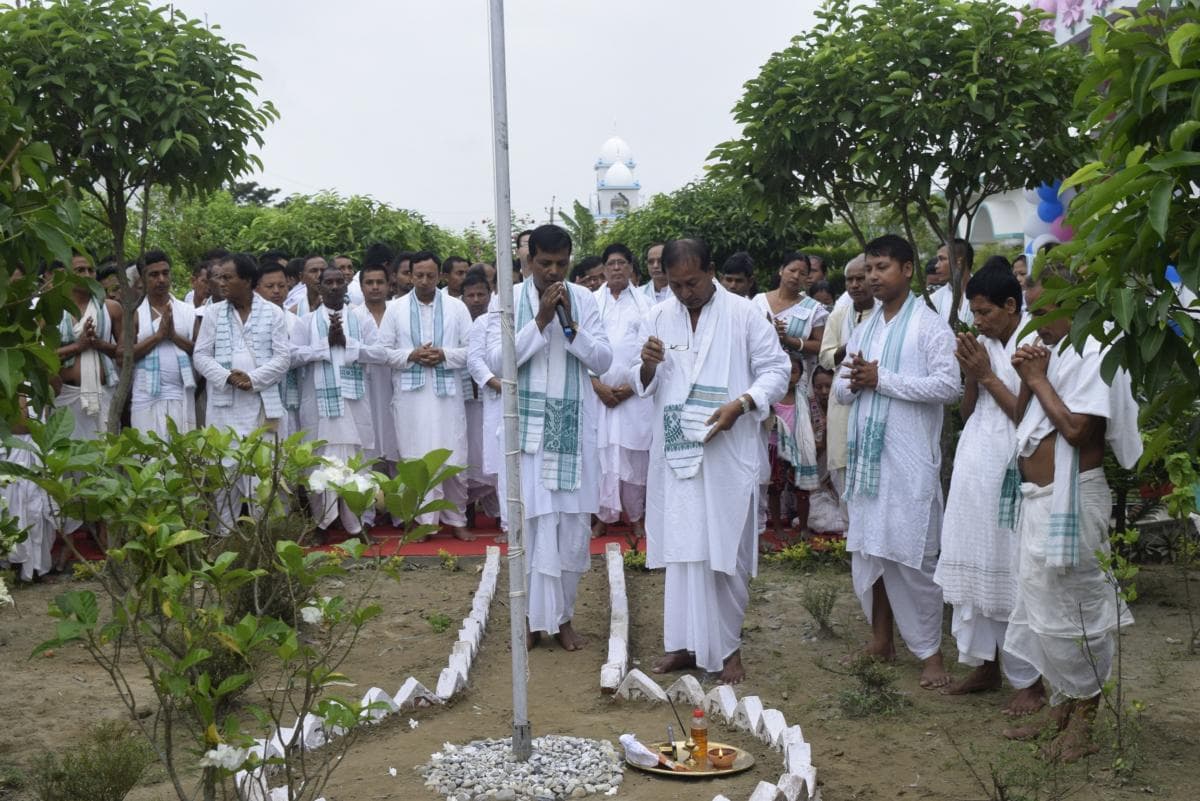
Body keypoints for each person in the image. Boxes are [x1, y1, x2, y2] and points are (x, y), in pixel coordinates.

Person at [1000, 263, 1141, 761]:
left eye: (1041, 309)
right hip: (1040, 501)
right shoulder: (1056, 352)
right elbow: (1025, 419)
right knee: (1043, 611)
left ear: (1071, 297)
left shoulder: (1096, 349)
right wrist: (1026, 376)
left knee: (1078, 609)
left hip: (1075, 498)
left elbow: (1078, 431)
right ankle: (1061, 708)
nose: (1035, 321)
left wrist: (1037, 377)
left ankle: (1084, 720)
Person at [635, 238, 789, 684]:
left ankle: (728, 648)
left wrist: (741, 404)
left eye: (693, 282)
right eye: (676, 284)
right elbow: (638, 379)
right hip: (676, 454)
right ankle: (684, 645)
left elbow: (777, 372)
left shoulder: (744, 315)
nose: (686, 293)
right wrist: (646, 366)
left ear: (712, 270)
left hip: (727, 453)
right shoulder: (658, 316)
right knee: (683, 551)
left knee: (726, 552)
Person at [832, 234, 959, 689]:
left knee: (914, 558)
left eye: (881, 267)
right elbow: (842, 389)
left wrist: (882, 379)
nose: (872, 277)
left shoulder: (929, 326)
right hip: (869, 462)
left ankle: (931, 654)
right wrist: (859, 380)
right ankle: (880, 641)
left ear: (907, 269)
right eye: (869, 268)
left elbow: (949, 387)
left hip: (908, 464)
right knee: (872, 554)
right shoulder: (864, 328)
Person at [485, 224, 612, 651]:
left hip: (572, 435)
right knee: (529, 528)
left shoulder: (586, 299)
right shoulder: (507, 299)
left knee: (571, 531)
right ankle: (528, 619)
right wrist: (539, 320)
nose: (553, 272)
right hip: (527, 439)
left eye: (561, 264)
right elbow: (498, 362)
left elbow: (605, 359)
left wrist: (571, 329)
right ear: (528, 260)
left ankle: (563, 618)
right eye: (545, 264)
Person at [934, 265, 1044, 714]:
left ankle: (1030, 681)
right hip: (975, 463)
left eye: (983, 312)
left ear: (1010, 306)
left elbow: (1028, 416)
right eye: (972, 312)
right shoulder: (986, 345)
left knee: (1008, 565)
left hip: (1013, 464)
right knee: (976, 560)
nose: (977, 321)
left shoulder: (1032, 347)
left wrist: (988, 373)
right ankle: (984, 663)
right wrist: (971, 373)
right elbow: (966, 411)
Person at [380, 251, 476, 541]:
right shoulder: (394, 309)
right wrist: (412, 354)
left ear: (440, 277)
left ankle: (457, 520)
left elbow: (473, 350)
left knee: (453, 457)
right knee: (415, 458)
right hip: (411, 399)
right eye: (418, 275)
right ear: (409, 276)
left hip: (447, 397)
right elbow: (382, 352)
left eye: (430, 276)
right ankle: (422, 522)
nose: (424, 281)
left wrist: (444, 354)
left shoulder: (456, 308)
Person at [193, 254, 292, 533]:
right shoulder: (212, 313)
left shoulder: (273, 312)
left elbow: (283, 358)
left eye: (228, 278)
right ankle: (225, 539)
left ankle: (266, 542)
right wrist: (227, 378)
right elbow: (200, 356)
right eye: (219, 278)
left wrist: (253, 379)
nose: (221, 283)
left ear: (247, 281)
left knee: (264, 477)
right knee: (226, 475)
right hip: (224, 408)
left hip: (262, 406)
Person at [292, 264, 391, 536]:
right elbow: (291, 357)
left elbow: (382, 354)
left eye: (339, 282)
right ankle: (322, 523)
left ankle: (356, 525)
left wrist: (347, 344)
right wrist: (324, 346)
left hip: (354, 406)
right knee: (319, 462)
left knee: (355, 463)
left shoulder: (362, 319)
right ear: (319, 286)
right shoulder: (306, 321)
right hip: (319, 411)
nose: (334, 287)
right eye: (329, 282)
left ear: (347, 287)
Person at [591, 243, 654, 540]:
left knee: (634, 458)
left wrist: (631, 387)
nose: (616, 268)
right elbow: (579, 348)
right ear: (603, 269)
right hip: (598, 395)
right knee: (601, 458)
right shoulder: (591, 302)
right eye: (611, 263)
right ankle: (602, 518)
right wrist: (597, 385)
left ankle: (636, 518)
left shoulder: (647, 304)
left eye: (621, 263)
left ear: (630, 267)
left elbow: (652, 349)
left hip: (634, 394)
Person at [819, 255, 876, 501]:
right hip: (842, 397)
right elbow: (825, 358)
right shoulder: (839, 315)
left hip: (874, 394)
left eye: (860, 279)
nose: (854, 285)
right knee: (842, 460)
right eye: (849, 280)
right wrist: (849, 345)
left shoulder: (885, 314)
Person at [53, 253, 123, 441]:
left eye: (91, 270)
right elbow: (42, 356)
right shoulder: (53, 310)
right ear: (67, 273)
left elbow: (126, 355)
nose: (87, 274)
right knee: (67, 461)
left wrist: (98, 344)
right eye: (80, 270)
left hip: (104, 394)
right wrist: (77, 346)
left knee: (104, 457)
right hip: (66, 395)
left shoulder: (112, 308)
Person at [130, 250, 196, 437]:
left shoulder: (187, 311)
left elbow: (200, 352)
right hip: (145, 396)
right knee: (147, 454)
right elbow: (123, 356)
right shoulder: (134, 313)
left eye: (165, 273)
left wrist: (173, 336)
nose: (161, 279)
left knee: (181, 456)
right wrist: (158, 337)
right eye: (154, 275)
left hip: (180, 394)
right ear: (142, 279)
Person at [752, 251, 828, 394]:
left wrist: (788, 340)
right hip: (758, 375)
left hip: (796, 381)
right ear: (781, 270)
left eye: (802, 273)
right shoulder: (758, 301)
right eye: (792, 270)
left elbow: (821, 345)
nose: (796, 276)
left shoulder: (814, 309)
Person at [459, 266, 500, 522]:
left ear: (490, 294)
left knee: (495, 454)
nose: (476, 300)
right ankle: (469, 509)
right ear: (462, 297)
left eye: (481, 295)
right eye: (470, 295)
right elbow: (472, 360)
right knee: (471, 456)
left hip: (494, 400)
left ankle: (500, 515)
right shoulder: (456, 317)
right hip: (466, 401)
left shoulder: (497, 319)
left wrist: (494, 383)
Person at [765, 353, 819, 541]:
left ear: (801, 374)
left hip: (799, 449)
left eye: (794, 371)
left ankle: (803, 527)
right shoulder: (771, 397)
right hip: (776, 449)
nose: (789, 376)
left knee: (802, 490)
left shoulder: (803, 397)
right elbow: (763, 421)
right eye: (785, 371)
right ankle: (778, 528)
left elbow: (813, 420)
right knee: (775, 490)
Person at [255, 261, 303, 440]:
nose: (276, 290)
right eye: (270, 286)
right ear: (257, 288)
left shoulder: (296, 321)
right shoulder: (252, 321)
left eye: (281, 286)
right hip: (262, 396)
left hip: (291, 396)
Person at [931, 238, 976, 326]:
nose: (936, 265)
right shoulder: (934, 299)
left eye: (942, 259)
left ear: (959, 262)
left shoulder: (986, 292)